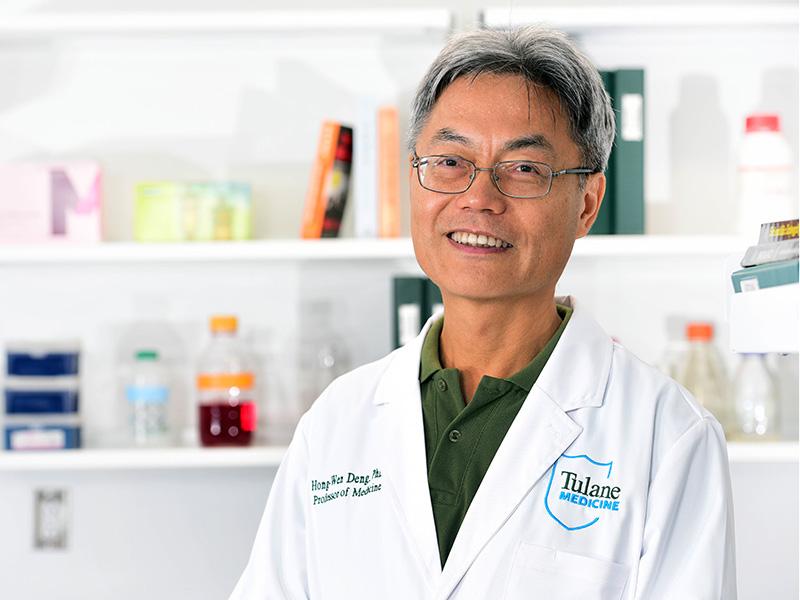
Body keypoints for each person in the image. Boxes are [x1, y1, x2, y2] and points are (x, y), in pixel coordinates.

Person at [230, 26, 737, 599]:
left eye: (523, 169)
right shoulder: (336, 420)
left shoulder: (665, 436)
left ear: (587, 204)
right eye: (449, 160)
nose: (478, 197)